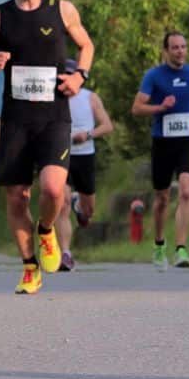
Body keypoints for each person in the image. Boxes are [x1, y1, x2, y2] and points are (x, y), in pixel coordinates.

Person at [0, 0, 94, 294]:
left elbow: (86, 46)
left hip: (54, 117)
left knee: (54, 188)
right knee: (16, 198)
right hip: (16, 120)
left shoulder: (62, 10)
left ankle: (46, 230)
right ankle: (30, 268)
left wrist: (79, 77)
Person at [130, 32, 189, 270]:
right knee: (162, 198)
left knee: (185, 192)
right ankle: (159, 244)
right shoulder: (154, 76)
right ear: (166, 51)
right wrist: (160, 107)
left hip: (185, 142)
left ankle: (181, 249)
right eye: (175, 47)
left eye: (183, 47)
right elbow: (137, 108)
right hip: (162, 143)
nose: (180, 51)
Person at [56, 81, 114, 271]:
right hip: (60, 156)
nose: (66, 84)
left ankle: (79, 205)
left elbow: (107, 126)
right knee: (61, 205)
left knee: (89, 211)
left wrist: (87, 135)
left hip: (84, 156)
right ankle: (65, 254)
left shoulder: (89, 97)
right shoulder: (54, 98)